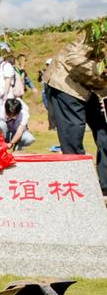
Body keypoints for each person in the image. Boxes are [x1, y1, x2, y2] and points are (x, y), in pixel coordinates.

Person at [43, 36, 107, 195]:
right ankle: (79, 189)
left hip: (89, 87)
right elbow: (73, 58)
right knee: (73, 137)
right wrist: (102, 75)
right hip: (66, 85)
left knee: (104, 133)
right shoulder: (97, 36)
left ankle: (105, 185)